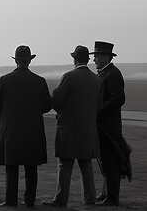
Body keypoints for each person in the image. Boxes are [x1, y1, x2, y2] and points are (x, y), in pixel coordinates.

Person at [0, 45, 52, 208]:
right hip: (33, 130)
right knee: (31, 169)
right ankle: (29, 201)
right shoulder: (39, 81)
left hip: (11, 130)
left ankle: (11, 201)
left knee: (11, 169)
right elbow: (47, 106)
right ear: (29, 60)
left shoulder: (4, 80)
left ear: (16, 60)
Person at [42, 45, 101, 208]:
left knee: (64, 165)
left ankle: (61, 199)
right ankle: (90, 199)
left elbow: (57, 101)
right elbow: (99, 105)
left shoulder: (68, 77)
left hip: (68, 128)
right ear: (88, 60)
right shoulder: (97, 79)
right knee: (86, 165)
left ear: (74, 59)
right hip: (88, 128)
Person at [90, 41, 131, 207]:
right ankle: (105, 194)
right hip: (102, 126)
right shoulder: (104, 73)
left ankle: (112, 198)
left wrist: (99, 112)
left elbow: (118, 98)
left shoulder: (113, 74)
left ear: (107, 57)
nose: (95, 59)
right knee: (105, 162)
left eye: (98, 56)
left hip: (109, 126)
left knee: (110, 162)